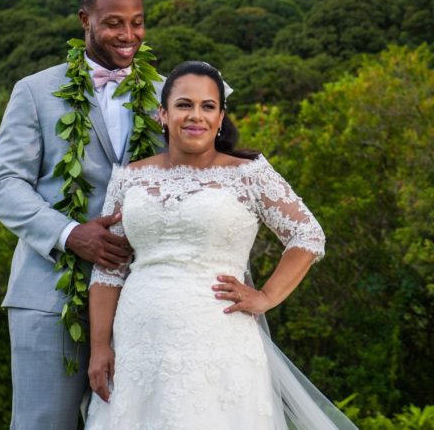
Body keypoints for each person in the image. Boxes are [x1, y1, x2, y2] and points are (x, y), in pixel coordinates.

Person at [83, 61, 356, 429]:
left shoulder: (249, 173)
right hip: (138, 341)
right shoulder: (129, 178)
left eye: (207, 106)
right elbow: (109, 268)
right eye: (184, 105)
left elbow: (307, 235)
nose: (196, 116)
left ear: (221, 116)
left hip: (217, 339)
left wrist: (267, 296)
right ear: (163, 114)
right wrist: (100, 347)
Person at [0, 0, 161, 430]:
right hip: (50, 297)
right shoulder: (35, 91)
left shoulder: (169, 95)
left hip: (142, 299)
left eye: (138, 23)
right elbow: (4, 185)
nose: (128, 36)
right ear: (85, 20)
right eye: (114, 23)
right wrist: (70, 234)